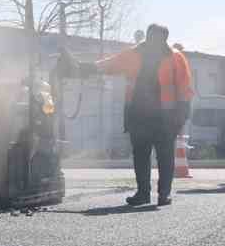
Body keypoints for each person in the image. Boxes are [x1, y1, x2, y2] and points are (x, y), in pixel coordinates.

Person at [71, 24, 195, 207]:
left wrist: (182, 115)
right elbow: (109, 64)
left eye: (157, 37)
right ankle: (143, 194)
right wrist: (82, 68)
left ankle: (163, 194)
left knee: (165, 156)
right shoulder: (134, 54)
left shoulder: (176, 57)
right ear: (148, 36)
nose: (153, 40)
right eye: (151, 36)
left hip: (165, 118)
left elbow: (185, 89)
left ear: (164, 39)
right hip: (139, 115)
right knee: (141, 155)